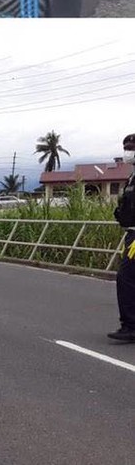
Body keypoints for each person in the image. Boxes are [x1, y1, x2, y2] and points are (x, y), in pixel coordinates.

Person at [108, 133, 135, 344]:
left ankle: (130, 326)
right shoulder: (132, 177)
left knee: (125, 278)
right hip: (131, 232)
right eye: (126, 147)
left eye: (132, 148)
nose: (128, 152)